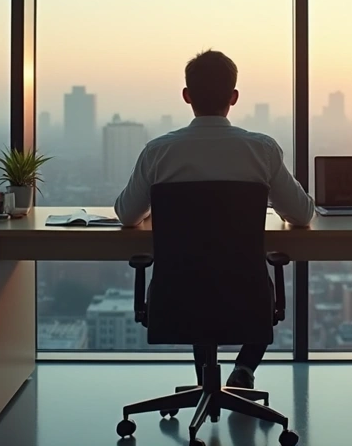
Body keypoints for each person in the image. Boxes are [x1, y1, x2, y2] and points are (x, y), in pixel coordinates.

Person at [115, 49, 315, 389]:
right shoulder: (261, 150)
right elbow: (302, 214)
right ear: (233, 97)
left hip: (177, 296)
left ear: (187, 96)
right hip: (245, 297)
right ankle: (244, 369)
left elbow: (127, 214)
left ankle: (205, 383)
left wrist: (158, 206)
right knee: (247, 285)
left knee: (197, 280)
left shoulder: (159, 151)